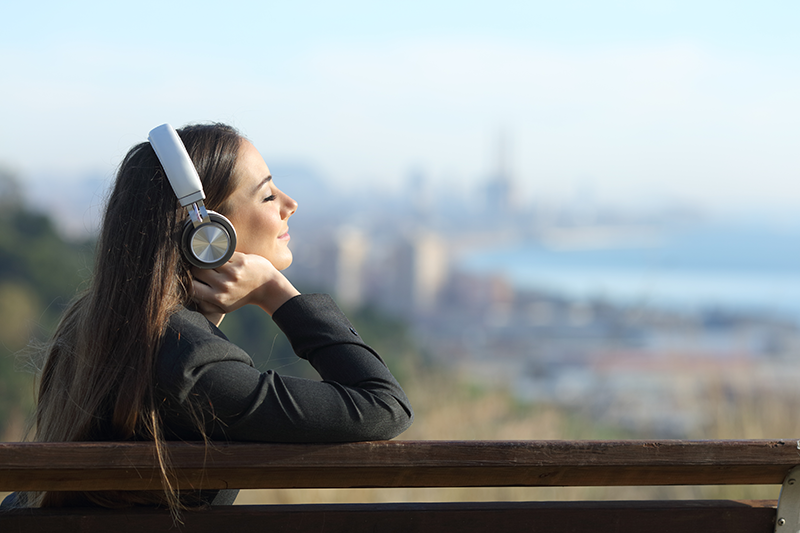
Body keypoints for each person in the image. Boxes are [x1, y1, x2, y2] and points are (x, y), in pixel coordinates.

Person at [6, 123, 413, 511]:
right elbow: (384, 405)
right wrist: (278, 294)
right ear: (206, 234)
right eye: (268, 196)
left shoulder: (91, 324)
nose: (290, 205)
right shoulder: (190, 363)